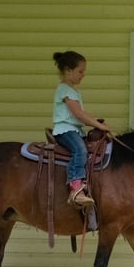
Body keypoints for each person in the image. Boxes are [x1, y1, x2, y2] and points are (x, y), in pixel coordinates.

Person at [51, 51, 112, 208]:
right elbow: (78, 113)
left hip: (74, 129)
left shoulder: (73, 90)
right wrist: (99, 125)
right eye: (80, 71)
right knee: (80, 150)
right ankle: (76, 188)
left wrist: (96, 123)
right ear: (68, 71)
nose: (83, 75)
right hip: (65, 130)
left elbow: (80, 115)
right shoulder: (65, 89)